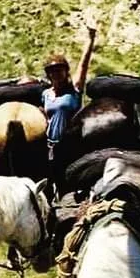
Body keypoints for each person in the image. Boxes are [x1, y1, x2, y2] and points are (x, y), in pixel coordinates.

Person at [42, 21, 97, 192]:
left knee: (72, 182)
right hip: (50, 145)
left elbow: (84, 64)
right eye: (52, 71)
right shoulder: (46, 94)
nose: (55, 74)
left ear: (66, 71)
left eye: (59, 70)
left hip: (71, 143)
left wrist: (90, 38)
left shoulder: (74, 88)